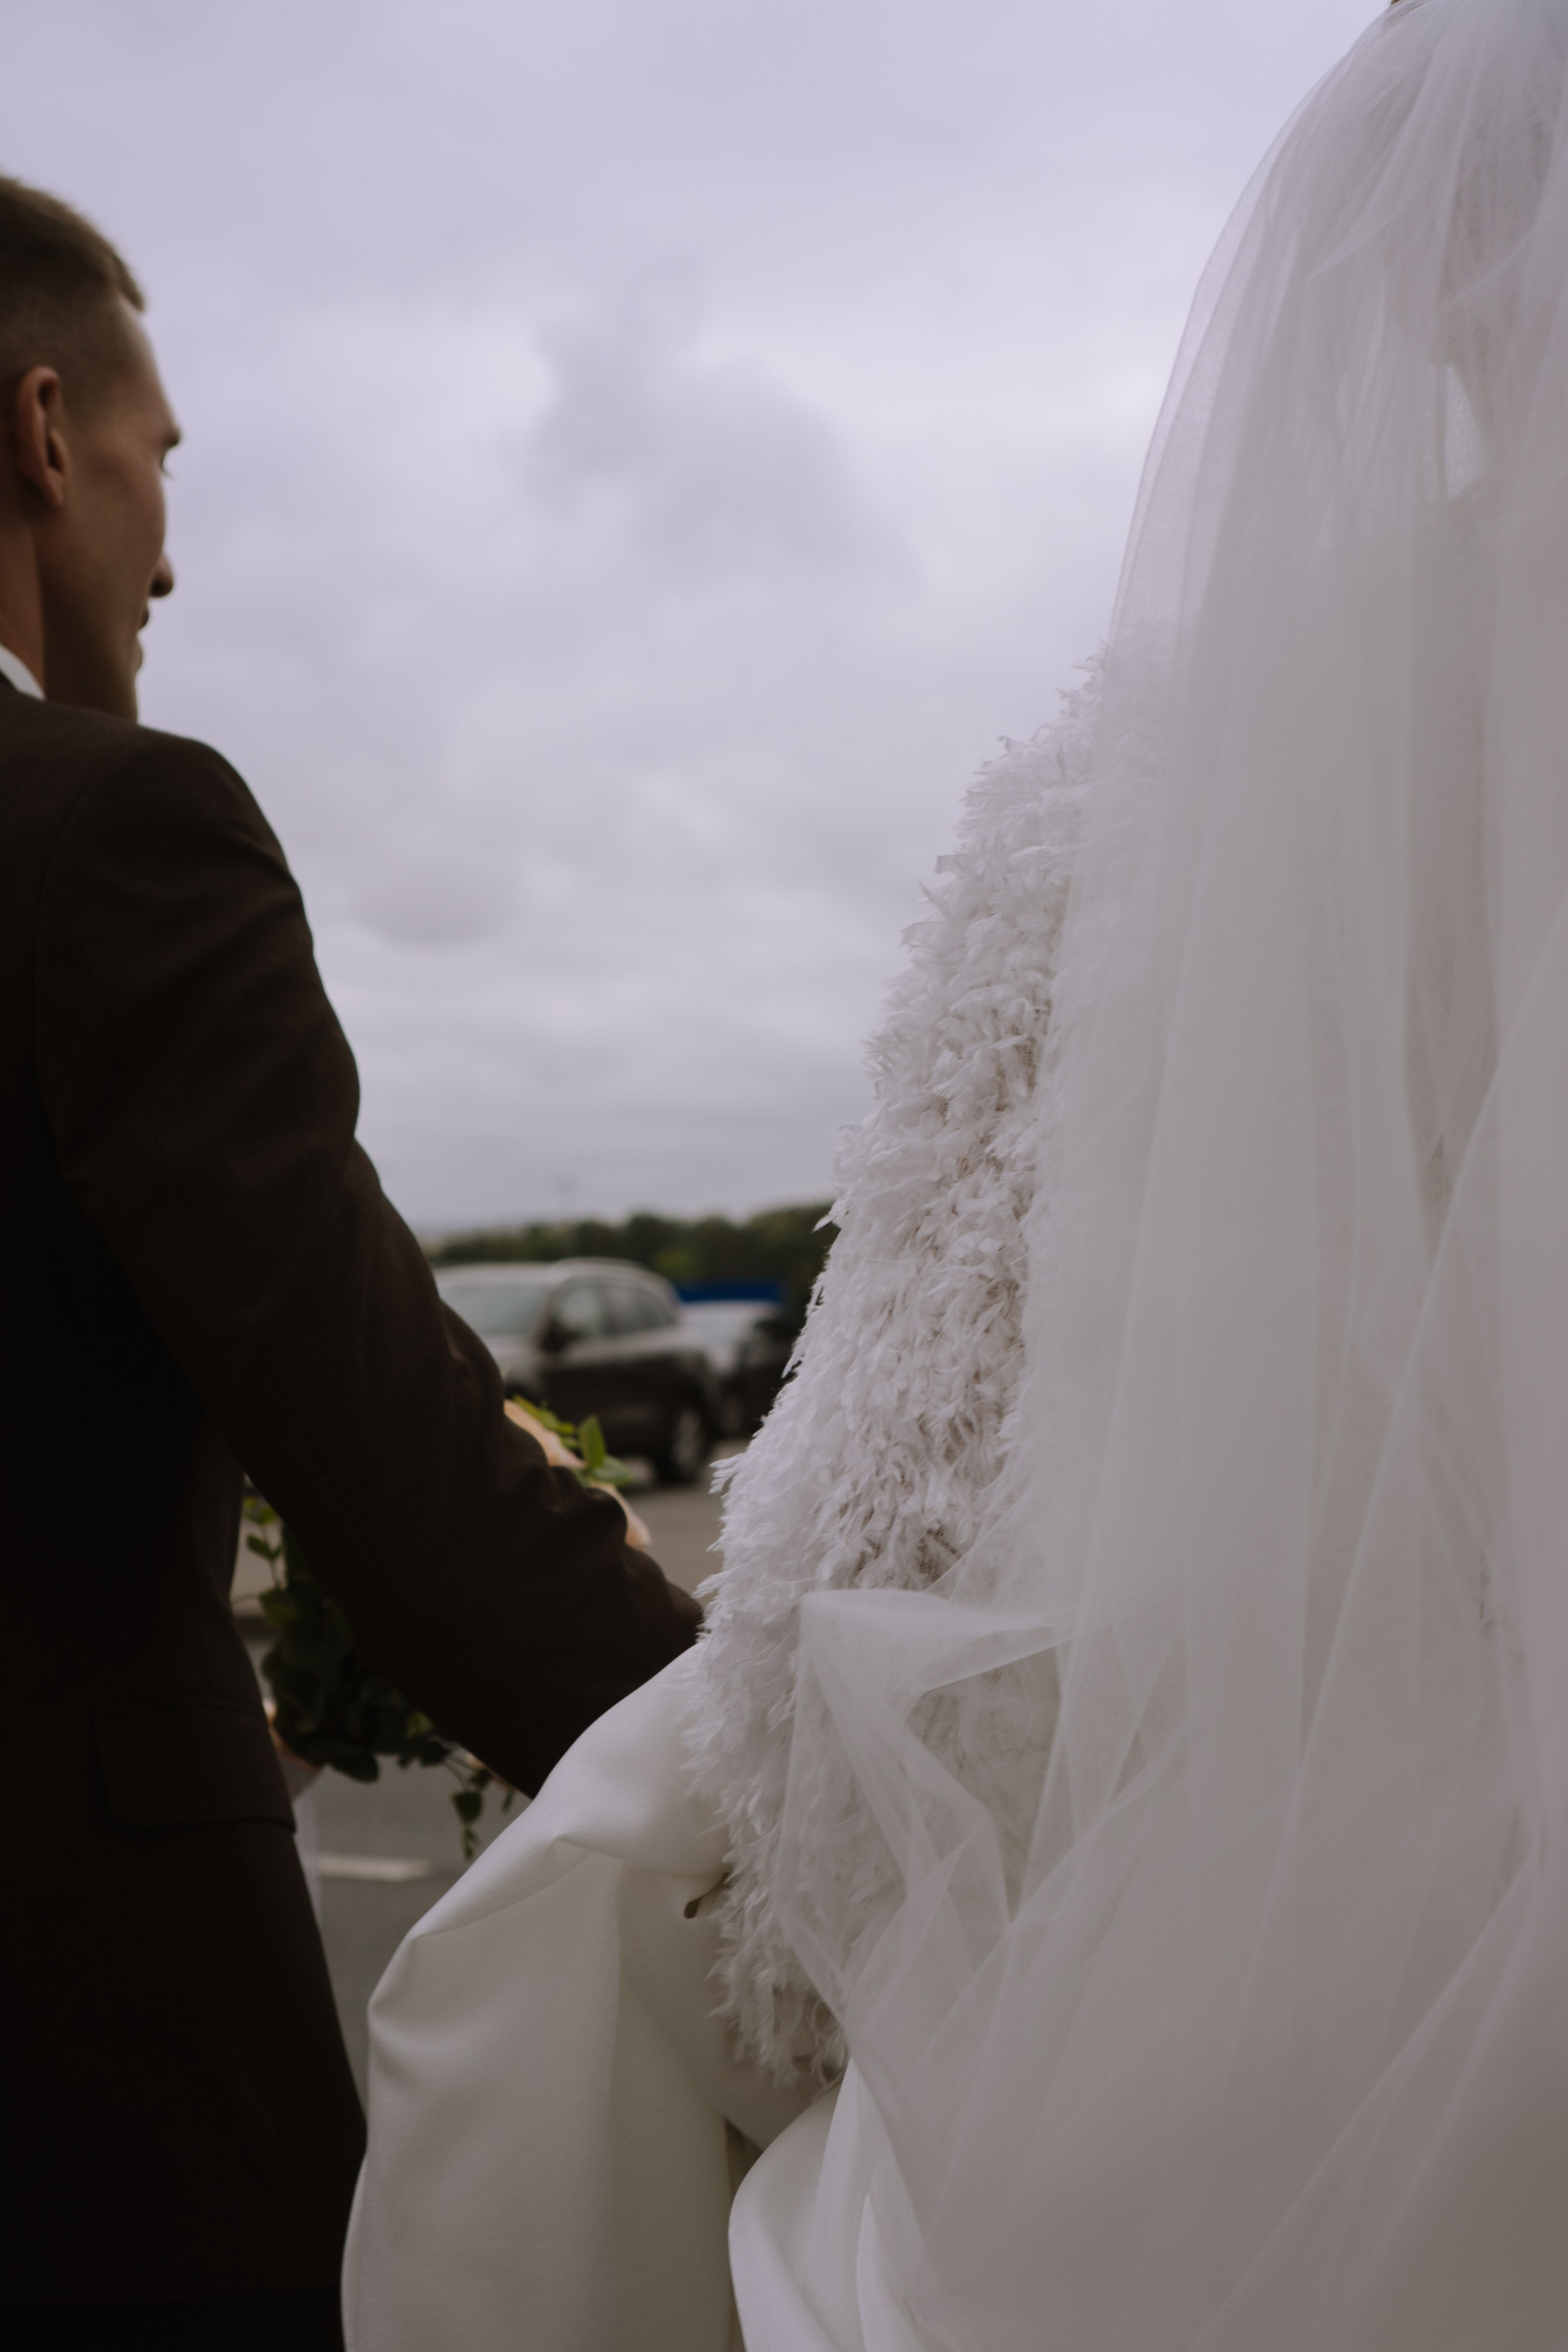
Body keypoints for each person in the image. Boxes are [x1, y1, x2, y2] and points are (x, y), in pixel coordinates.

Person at [349, 1, 1568, 2345]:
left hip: (1284, 1965)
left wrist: (838, 1976)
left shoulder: (1166, 796)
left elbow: (857, 1531)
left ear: (1420, 271)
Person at [0, 176, 701, 2351]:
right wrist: (783, 1811)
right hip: (88, 2085)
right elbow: (398, 1467)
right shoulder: (110, 839)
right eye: (160, 462)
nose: (171, 546)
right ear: (42, 433)